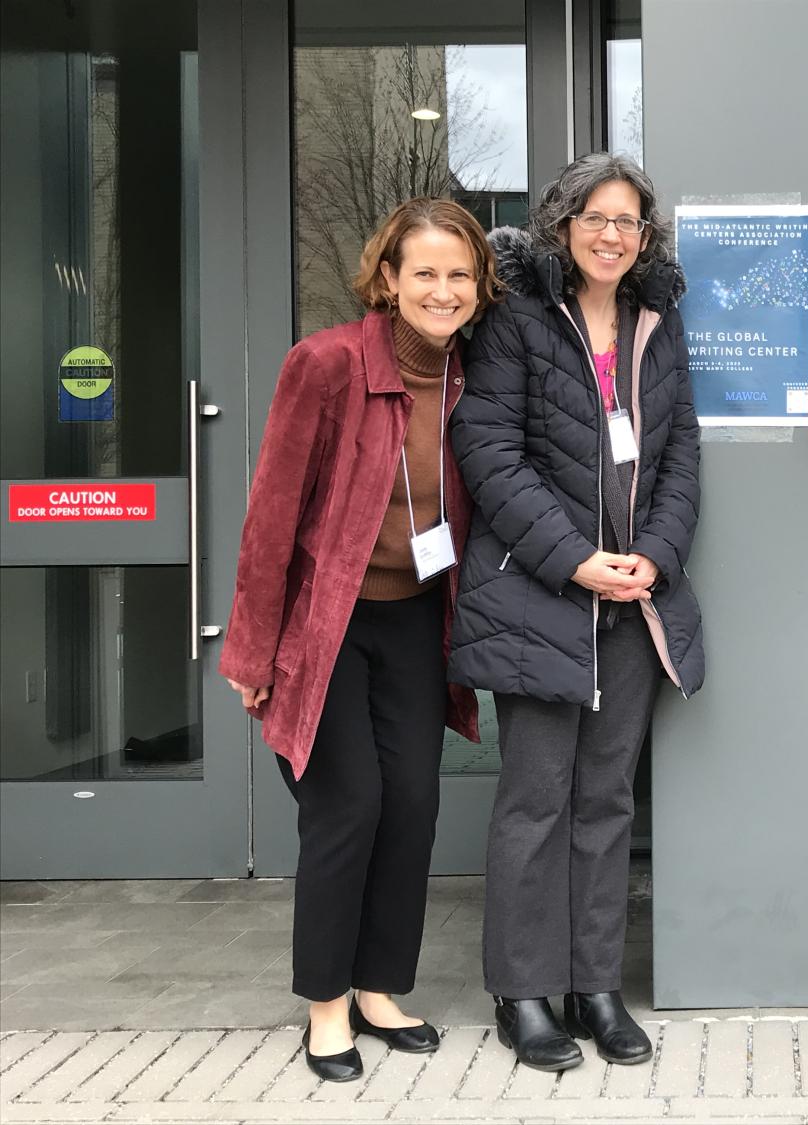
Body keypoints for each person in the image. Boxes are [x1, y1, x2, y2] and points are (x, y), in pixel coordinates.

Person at [220, 198, 498, 1080]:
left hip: (418, 617)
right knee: (349, 806)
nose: (443, 290)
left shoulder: (469, 377)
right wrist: (253, 652)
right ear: (387, 279)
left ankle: (381, 986)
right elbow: (272, 514)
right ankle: (326, 1005)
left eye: (460, 275)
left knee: (414, 800)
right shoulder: (328, 363)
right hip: (327, 622)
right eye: (425, 272)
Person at [449, 153, 704, 1073]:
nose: (611, 234)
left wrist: (655, 558)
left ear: (646, 237)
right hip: (538, 596)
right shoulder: (517, 318)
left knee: (605, 801)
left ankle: (595, 985)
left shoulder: (655, 320)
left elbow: (680, 456)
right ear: (562, 224)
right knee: (534, 801)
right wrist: (576, 560)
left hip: (635, 601)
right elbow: (488, 449)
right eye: (596, 217)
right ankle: (525, 992)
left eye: (629, 221)